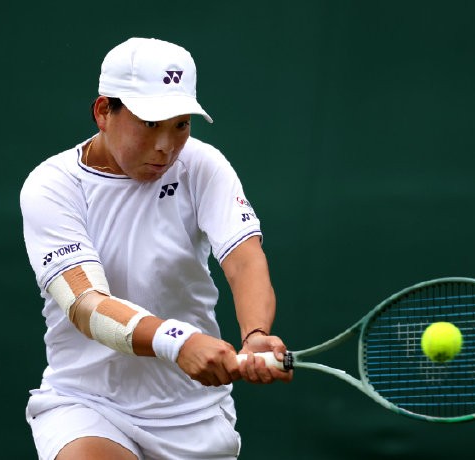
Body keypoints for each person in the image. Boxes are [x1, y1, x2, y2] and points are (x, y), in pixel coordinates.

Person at [20, 37, 292, 460]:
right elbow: (86, 304)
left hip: (193, 413)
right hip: (88, 404)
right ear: (103, 112)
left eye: (180, 125)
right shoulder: (52, 186)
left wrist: (255, 334)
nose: (166, 145)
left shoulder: (202, 165)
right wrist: (178, 341)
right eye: (149, 124)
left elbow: (244, 261)